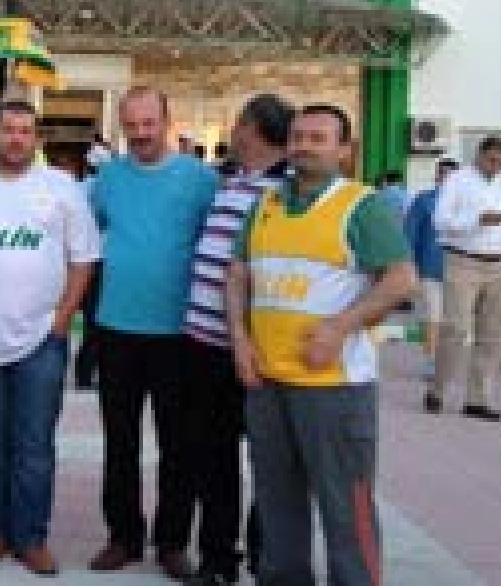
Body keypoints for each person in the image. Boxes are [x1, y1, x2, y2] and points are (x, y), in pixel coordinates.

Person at [226, 104, 416, 586]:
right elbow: (238, 274)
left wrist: (340, 327)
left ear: (345, 150)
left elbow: (400, 280)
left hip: (335, 387)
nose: (304, 146)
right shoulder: (266, 202)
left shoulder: (362, 207)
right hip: (268, 382)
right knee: (277, 503)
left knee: (345, 505)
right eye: (298, 136)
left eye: (318, 138)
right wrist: (240, 340)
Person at [0, 101, 101, 576]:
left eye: (25, 131)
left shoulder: (62, 187)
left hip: (40, 340)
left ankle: (31, 537)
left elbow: (84, 259)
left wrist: (62, 318)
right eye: (8, 129)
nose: (16, 138)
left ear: (37, 139)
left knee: (34, 445)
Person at [86, 87, 220, 578]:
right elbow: (89, 231)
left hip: (179, 333)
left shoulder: (201, 179)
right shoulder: (107, 179)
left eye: (149, 124)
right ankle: (123, 536)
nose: (140, 134)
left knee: (178, 444)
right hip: (116, 328)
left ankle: (171, 542)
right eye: (132, 125)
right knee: (119, 441)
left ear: (167, 121)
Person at [181, 93, 294, 585]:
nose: (233, 131)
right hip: (204, 345)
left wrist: (246, 338)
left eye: (238, 124)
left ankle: (265, 557)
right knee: (213, 459)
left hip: (255, 351)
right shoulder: (232, 183)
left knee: (269, 461)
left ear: (251, 128)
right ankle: (217, 559)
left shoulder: (286, 194)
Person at [426, 136, 501, 421]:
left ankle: (477, 400)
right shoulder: (457, 180)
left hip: (500, 265)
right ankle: (437, 390)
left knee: (492, 334)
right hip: (463, 261)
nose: (496, 166)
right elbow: (440, 221)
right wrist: (476, 220)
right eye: (492, 160)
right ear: (479, 155)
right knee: (456, 329)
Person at [403, 158, 459, 379]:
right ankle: (431, 362)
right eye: (443, 174)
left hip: (462, 269)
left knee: (453, 321)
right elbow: (410, 235)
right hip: (430, 268)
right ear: (437, 175)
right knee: (433, 317)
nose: (447, 178)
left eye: (451, 175)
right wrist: (410, 268)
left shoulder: (466, 202)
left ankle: (446, 362)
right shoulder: (424, 200)